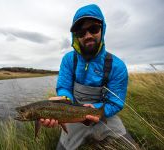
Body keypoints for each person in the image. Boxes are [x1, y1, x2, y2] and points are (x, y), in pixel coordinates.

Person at [40, 4, 138, 150]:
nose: (88, 36)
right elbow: (64, 88)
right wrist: (64, 101)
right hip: (73, 117)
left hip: (105, 117)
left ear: (102, 29)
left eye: (93, 29)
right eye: (81, 32)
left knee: (132, 147)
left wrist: (98, 110)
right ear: (76, 36)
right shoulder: (68, 60)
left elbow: (115, 103)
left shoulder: (117, 66)